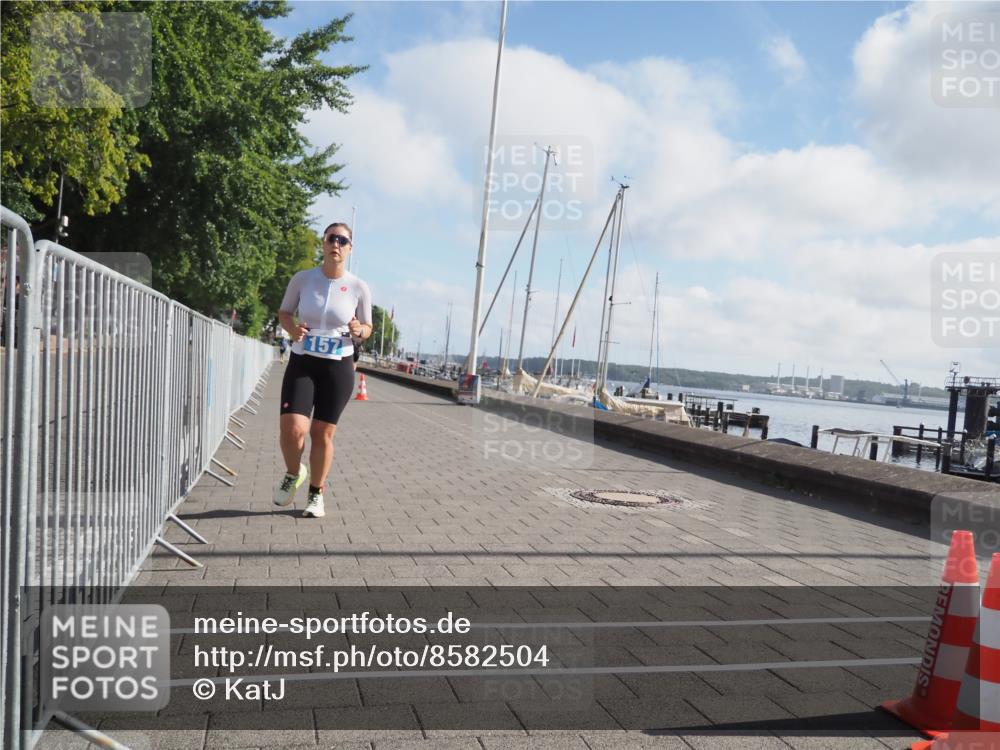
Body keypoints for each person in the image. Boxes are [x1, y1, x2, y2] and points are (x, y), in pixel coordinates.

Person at [274, 222, 372, 517]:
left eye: (343, 240)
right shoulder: (303, 279)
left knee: (322, 433)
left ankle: (316, 494)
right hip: (304, 360)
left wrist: (359, 329)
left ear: (350, 248)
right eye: (332, 238)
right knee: (292, 430)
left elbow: (367, 327)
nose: (336, 245)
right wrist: (292, 328)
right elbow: (284, 313)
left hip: (338, 366)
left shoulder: (358, 287)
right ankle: (294, 473)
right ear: (324, 242)